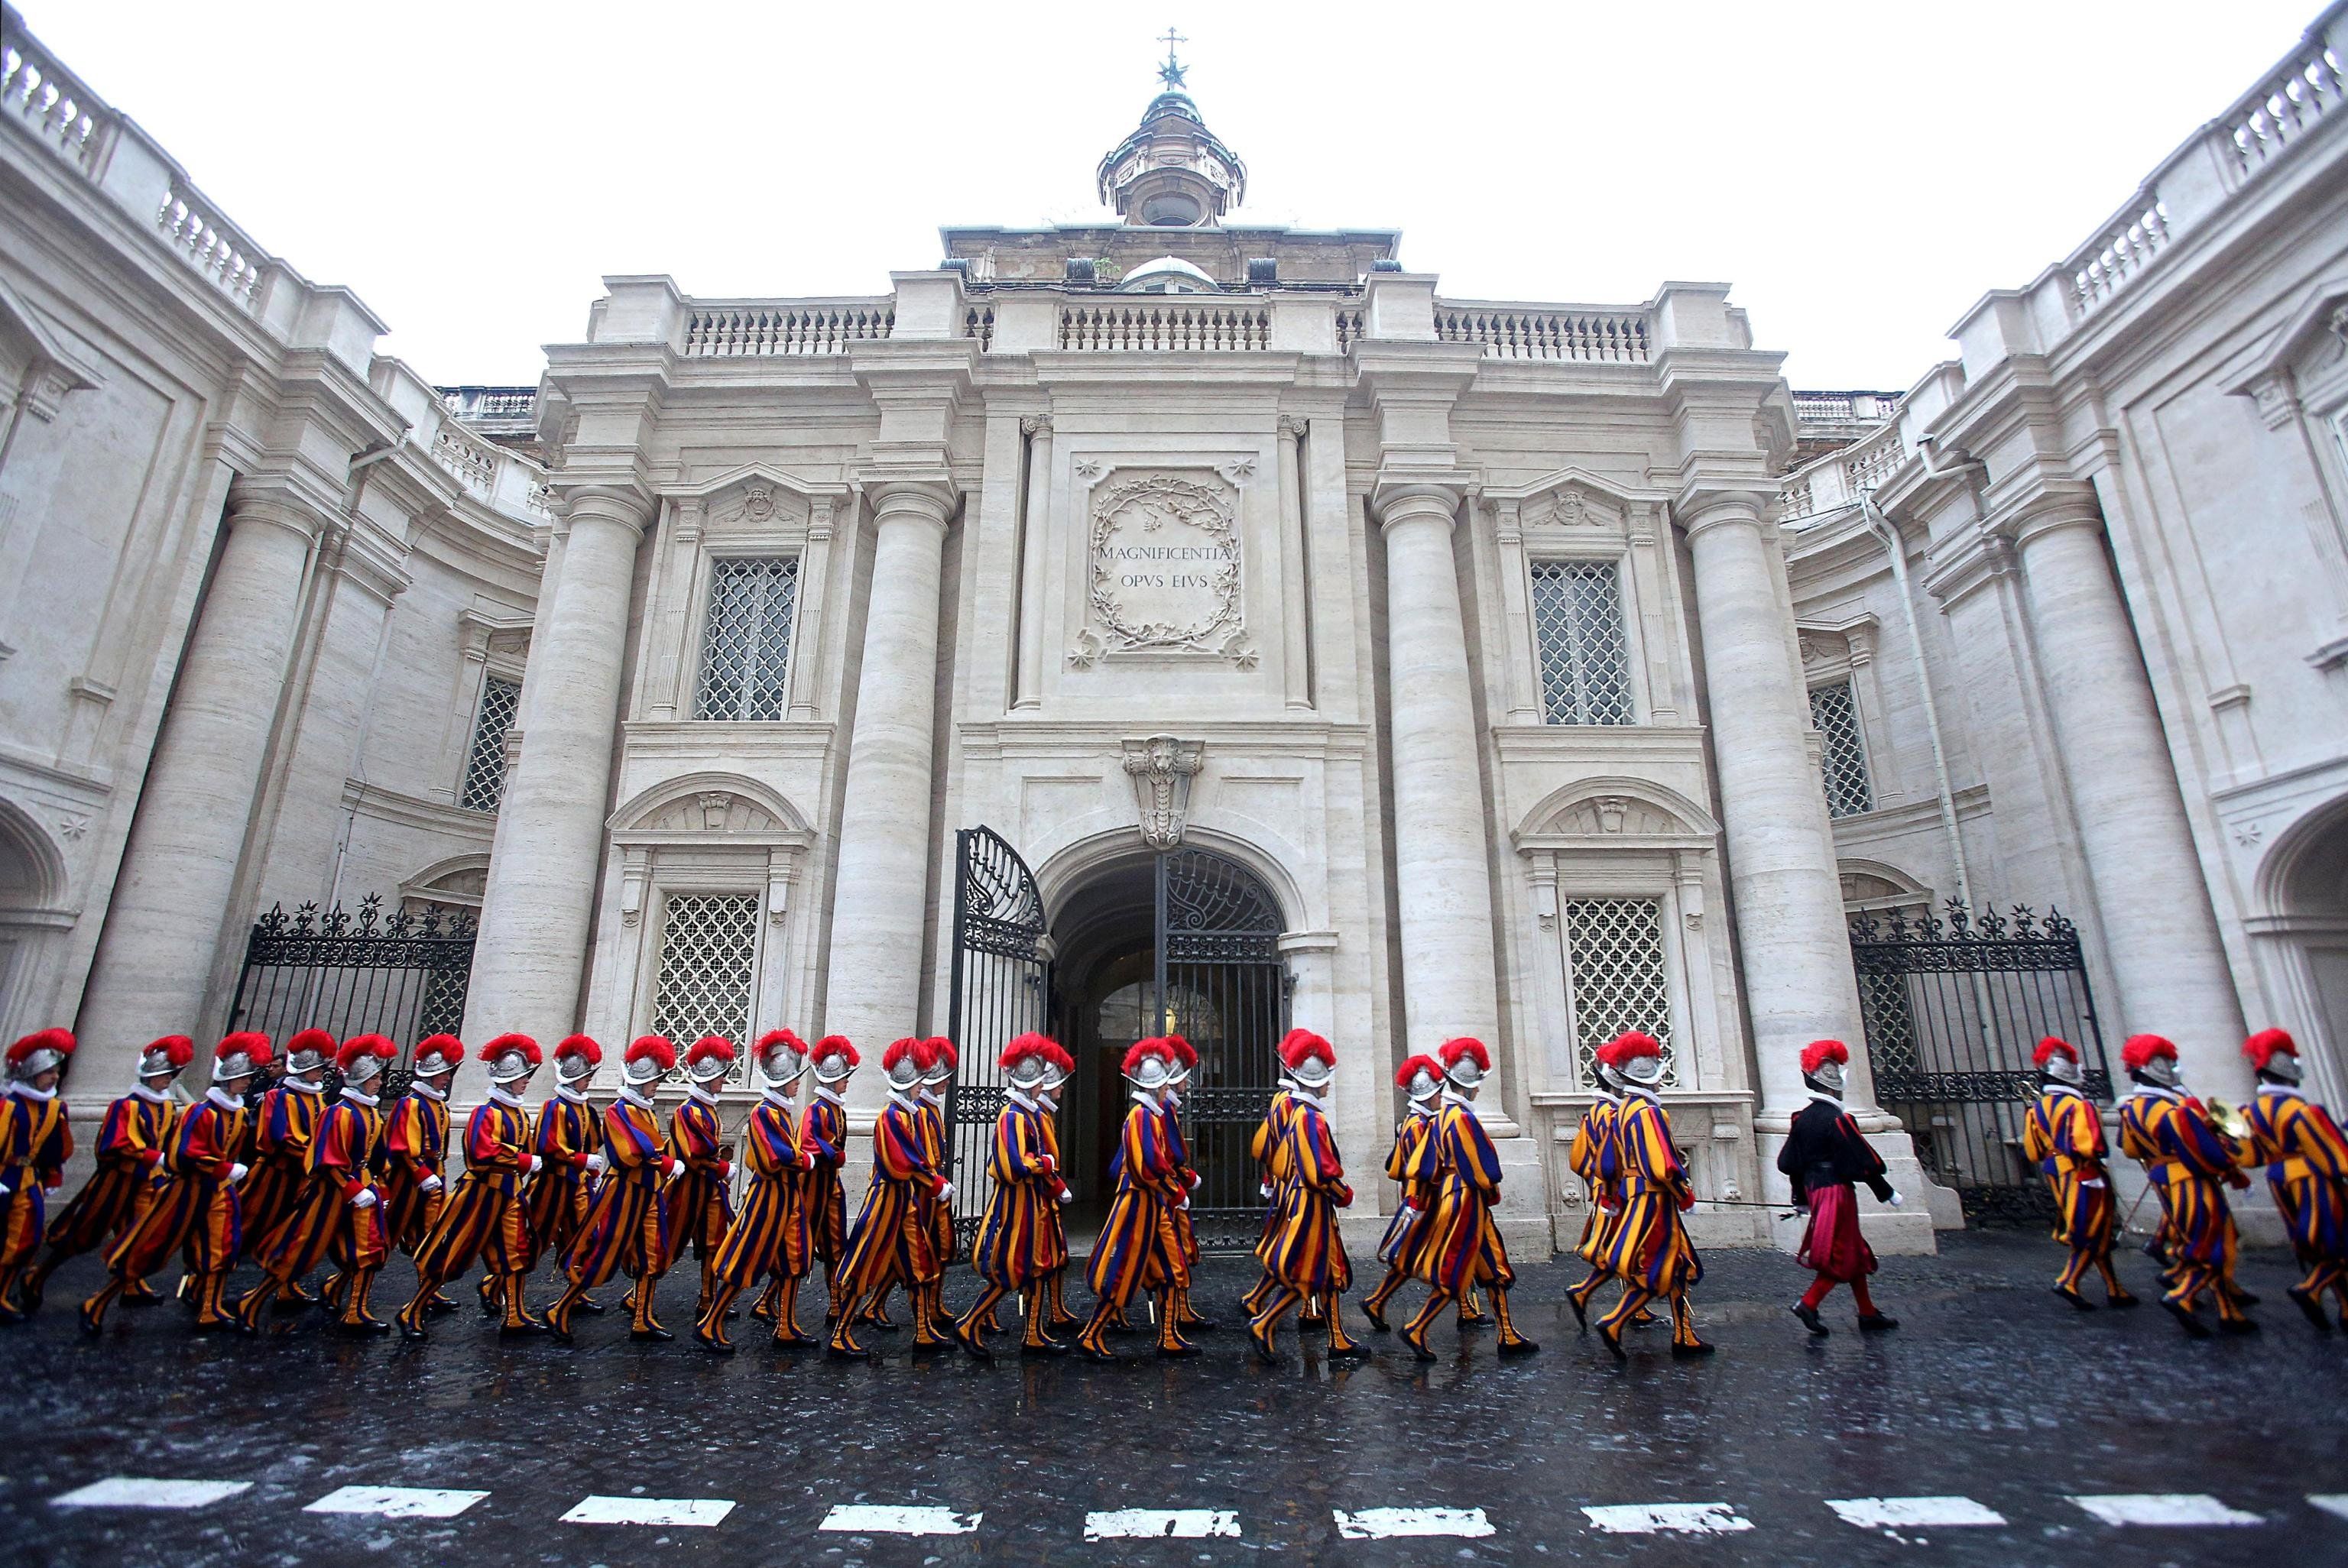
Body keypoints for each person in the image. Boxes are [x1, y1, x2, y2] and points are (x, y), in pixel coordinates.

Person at [80, 1032, 271, 1334]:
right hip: (188, 1190)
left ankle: (210, 1307)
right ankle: (99, 1300)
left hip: (218, 1190)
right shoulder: (201, 1112)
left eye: (249, 1077)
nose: (248, 1082)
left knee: (223, 1246)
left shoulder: (239, 1113)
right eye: (243, 1077)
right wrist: (223, 1168)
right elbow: (184, 1155)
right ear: (226, 1080)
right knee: (152, 1247)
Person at [235, 1034, 397, 1334]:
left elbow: (376, 1157)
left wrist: (379, 1186)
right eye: (374, 1077)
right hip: (332, 1191)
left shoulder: (370, 1113)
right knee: (300, 1249)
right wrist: (351, 1188)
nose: (378, 1083)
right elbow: (326, 1157)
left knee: (370, 1248)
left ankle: (354, 1310)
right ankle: (253, 1300)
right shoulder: (339, 1112)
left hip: (360, 1187)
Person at [21, 1035, 193, 1313]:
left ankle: (132, 1284)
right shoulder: (125, 1106)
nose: (168, 1079)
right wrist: (154, 1157)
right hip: (117, 1182)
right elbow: (117, 1143)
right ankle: (37, 1275)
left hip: (147, 1182)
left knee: (139, 1234)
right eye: (164, 1074)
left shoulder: (166, 1106)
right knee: (81, 1235)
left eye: (171, 1074)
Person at [1398, 1036, 1540, 1359]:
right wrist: (1491, 1189)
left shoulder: (1443, 1116)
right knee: (1457, 1270)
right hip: (1467, 1202)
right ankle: (1418, 1327)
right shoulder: (1461, 1118)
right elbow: (1482, 1167)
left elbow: (1424, 1164)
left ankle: (1507, 1332)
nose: (1478, 1090)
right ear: (1470, 1085)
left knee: (1492, 1266)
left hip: (1457, 1198)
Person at [397, 1034, 546, 1340]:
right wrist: (521, 1160)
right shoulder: (484, 1113)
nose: (526, 1082)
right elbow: (481, 1153)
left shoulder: (518, 1113)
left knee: (517, 1251)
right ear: (507, 1081)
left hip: (509, 1192)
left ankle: (515, 1314)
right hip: (480, 1193)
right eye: (520, 1077)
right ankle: (412, 1309)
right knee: (454, 1253)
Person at [546, 1035, 686, 1343]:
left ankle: (642, 1317)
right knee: (605, 1253)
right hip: (624, 1191)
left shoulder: (646, 1110)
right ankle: (562, 1307)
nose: (656, 1086)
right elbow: (630, 1153)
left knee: (654, 1253)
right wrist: (662, 1163)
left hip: (648, 1191)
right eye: (653, 1081)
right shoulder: (618, 1111)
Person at [2116, 1032, 2256, 1337]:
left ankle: (2226, 1308)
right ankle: (2183, 1297)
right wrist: (2232, 1157)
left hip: (2164, 1182)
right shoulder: (2174, 1110)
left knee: (2204, 1240)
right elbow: (2206, 1154)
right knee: (2213, 1243)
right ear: (2157, 1067)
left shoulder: (2133, 1109)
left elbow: (2129, 1149)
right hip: (2193, 1183)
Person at [694, 1029, 817, 1354]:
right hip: (768, 1198)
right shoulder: (765, 1112)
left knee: (795, 1258)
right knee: (746, 1258)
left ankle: (787, 1325)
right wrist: (805, 1159)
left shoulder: (780, 1111)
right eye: (792, 1079)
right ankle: (710, 1322)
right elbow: (773, 1157)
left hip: (787, 1197)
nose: (796, 1084)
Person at [828, 1038, 951, 1359]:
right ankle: (840, 1334)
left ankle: (924, 1331)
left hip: (903, 1201)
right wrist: (934, 1182)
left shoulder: (905, 1115)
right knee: (863, 1265)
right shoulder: (891, 1116)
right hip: (885, 1202)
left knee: (919, 1264)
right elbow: (902, 1162)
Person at [953, 1032, 1074, 1361]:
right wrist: (1044, 1164)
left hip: (1032, 1203)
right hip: (1016, 1206)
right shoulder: (1013, 1116)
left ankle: (1033, 1334)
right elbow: (1011, 1166)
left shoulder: (1028, 1114)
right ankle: (969, 1322)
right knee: (1011, 1270)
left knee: (1036, 1268)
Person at [1246, 1029, 1364, 1366]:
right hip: (1310, 1202)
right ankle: (1264, 1321)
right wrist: (1344, 1194)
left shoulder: (1302, 1112)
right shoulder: (1309, 1117)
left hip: (1308, 1200)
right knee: (1308, 1272)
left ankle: (1337, 1338)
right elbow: (1320, 1171)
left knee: (1327, 1271)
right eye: (1325, 1079)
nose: (1329, 1085)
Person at [1078, 1037, 1190, 1361]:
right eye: (1166, 1084)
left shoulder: (1149, 1116)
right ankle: (1091, 1334)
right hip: (1140, 1205)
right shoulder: (1141, 1117)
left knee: (1170, 1270)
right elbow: (1148, 1166)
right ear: (1157, 1087)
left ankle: (1168, 1336)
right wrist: (1176, 1191)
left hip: (1151, 1204)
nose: (1170, 1088)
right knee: (1124, 1271)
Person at [1779, 1038, 1899, 1339]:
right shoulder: (1838, 1119)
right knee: (1840, 1253)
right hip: (1836, 1191)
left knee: (1853, 1249)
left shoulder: (1802, 1118)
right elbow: (1863, 1160)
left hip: (1815, 1189)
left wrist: (1801, 1198)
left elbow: (1791, 1162)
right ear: (1835, 1085)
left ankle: (1868, 1312)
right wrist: (1886, 1192)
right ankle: (1808, 1303)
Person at [2237, 1028, 2346, 1333]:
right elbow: (2335, 1158)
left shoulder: (2250, 1112)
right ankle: (2310, 1289)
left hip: (2278, 1179)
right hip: (2313, 1180)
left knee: (2317, 1248)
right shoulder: (2304, 1111)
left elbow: (2250, 1158)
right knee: (2337, 1244)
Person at [2022, 1035, 2135, 1310]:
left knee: (2095, 1230)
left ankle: (2114, 1288)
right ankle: (2069, 1281)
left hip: (2055, 1172)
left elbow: (2033, 1152)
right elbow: (2090, 1146)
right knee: (2090, 1230)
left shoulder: (2036, 1110)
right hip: (2085, 1174)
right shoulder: (2080, 1107)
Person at [511, 1035, 605, 1319]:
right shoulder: (554, 1107)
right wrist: (582, 1159)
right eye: (585, 1076)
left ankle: (575, 1292)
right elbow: (551, 1148)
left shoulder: (584, 1108)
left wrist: (591, 1168)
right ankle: (501, 1293)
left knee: (580, 1239)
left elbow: (592, 1141)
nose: (588, 1081)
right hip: (552, 1186)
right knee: (536, 1240)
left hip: (576, 1184)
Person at [235, 1028, 333, 1297]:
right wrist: (315, 1156)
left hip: (301, 1173)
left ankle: (286, 1285)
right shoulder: (278, 1097)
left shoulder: (316, 1098)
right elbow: (281, 1135)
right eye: (316, 1069)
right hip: (274, 1174)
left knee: (291, 1228)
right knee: (250, 1223)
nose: (320, 1073)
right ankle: (207, 1277)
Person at [378, 1034, 462, 1314]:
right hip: (409, 1181)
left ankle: (428, 1288)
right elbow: (403, 1146)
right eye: (442, 1074)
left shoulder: (439, 1104)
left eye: (448, 1073)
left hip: (432, 1178)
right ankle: (344, 1287)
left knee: (429, 1235)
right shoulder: (410, 1104)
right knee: (387, 1235)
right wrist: (421, 1173)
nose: (447, 1078)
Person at [1360, 1055, 1444, 1332]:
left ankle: (1469, 1309)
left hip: (1422, 1196)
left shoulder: (1415, 1122)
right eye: (1436, 1095)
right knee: (1412, 1258)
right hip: (1422, 1197)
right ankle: (1377, 1300)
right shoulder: (1419, 1125)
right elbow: (1423, 1166)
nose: (1440, 1099)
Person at [0, 1029, 76, 1321]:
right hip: (5, 1177)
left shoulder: (55, 1108)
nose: (55, 1077)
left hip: (29, 1179)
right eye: (48, 1071)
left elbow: (56, 1148)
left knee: (27, 1241)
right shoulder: (8, 1106)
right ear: (32, 1073)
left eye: (56, 1071)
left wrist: (52, 1176)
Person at [668, 1036, 738, 1327]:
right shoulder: (688, 1110)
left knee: (713, 1242)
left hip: (709, 1187)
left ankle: (708, 1297)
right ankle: (638, 1300)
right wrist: (722, 1167)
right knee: (669, 1243)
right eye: (720, 1076)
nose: (723, 1080)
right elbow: (696, 1154)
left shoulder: (707, 1108)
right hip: (689, 1187)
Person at [799, 1035, 856, 1326]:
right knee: (802, 1246)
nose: (847, 1082)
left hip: (832, 1185)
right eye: (843, 1077)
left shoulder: (839, 1111)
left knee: (836, 1245)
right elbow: (809, 1142)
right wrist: (834, 1153)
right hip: (813, 1187)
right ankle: (772, 1301)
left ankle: (837, 1301)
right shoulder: (816, 1110)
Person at [1159, 1035, 1213, 1334]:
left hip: (1172, 1188)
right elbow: (1168, 1155)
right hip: (1165, 1192)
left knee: (1179, 1251)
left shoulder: (1168, 1108)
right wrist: (1185, 1179)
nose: (1186, 1083)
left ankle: (1182, 1309)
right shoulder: (1161, 1110)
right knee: (1164, 1257)